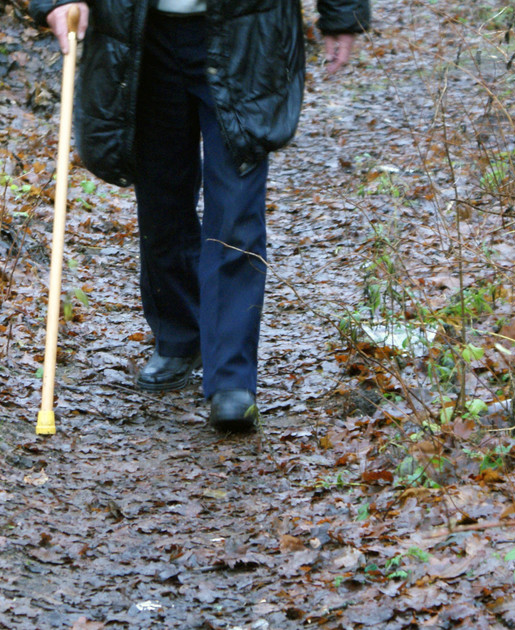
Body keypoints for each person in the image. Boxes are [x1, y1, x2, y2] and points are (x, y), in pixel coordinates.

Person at [29, 0, 370, 431]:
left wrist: (343, 14)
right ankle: (178, 336)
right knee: (162, 199)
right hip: (141, 33)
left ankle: (232, 379)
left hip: (246, 30)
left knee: (235, 207)